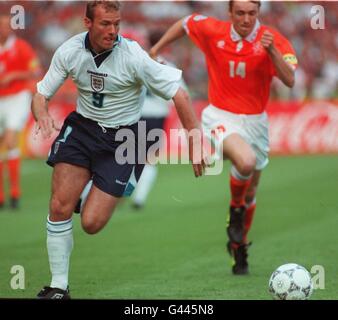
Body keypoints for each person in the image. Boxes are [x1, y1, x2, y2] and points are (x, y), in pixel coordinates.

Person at [31, 1, 204, 299]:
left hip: (124, 141)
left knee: (91, 223)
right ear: (87, 23)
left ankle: (96, 190)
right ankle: (58, 286)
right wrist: (43, 114)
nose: (113, 30)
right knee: (59, 206)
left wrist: (196, 142)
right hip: (82, 130)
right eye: (105, 24)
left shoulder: (133, 56)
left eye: (117, 23)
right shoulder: (69, 51)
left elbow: (181, 94)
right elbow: (41, 93)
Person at [150, 0, 297, 275]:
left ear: (258, 13)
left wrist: (272, 51)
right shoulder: (213, 30)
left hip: (256, 122)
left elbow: (289, 79)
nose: (246, 19)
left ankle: (239, 246)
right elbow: (185, 22)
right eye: (240, 13)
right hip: (220, 116)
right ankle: (235, 212)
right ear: (230, 13)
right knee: (245, 162)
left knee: (251, 191)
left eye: (252, 13)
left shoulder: (273, 39)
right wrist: (156, 49)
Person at [130, 30, 188, 210]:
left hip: (135, 115)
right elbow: (182, 93)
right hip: (156, 117)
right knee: (149, 159)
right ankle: (139, 198)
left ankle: (119, 191)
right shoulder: (167, 65)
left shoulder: (137, 62)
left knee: (128, 157)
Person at [0, 13, 40, 209]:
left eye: (8, 25)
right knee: (3, 146)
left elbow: (35, 69)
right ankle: (2, 195)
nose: (5, 29)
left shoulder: (21, 47)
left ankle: (15, 192)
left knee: (10, 139)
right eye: (2, 26)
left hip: (17, 98)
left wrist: (15, 74)